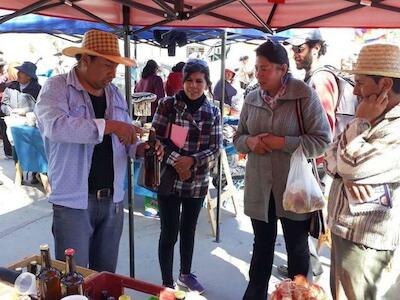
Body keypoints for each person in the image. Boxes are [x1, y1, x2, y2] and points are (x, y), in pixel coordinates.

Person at [35, 29, 163, 272]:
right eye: (107, 65)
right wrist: (112, 125)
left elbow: (125, 140)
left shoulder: (114, 93)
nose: (113, 73)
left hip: (113, 200)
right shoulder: (57, 87)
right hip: (73, 202)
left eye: (115, 67)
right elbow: (56, 127)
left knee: (105, 276)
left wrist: (141, 148)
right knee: (74, 278)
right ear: (85, 60)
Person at [233, 40, 331, 300]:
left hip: (293, 188)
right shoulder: (252, 97)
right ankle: (255, 294)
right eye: (257, 68)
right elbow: (238, 137)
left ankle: (300, 296)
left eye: (265, 68)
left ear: (282, 69)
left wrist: (283, 143)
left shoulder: (303, 95)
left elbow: (322, 140)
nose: (259, 74)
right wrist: (251, 142)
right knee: (261, 246)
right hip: (259, 186)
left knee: (297, 249)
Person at [325, 43, 400, 300]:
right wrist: (346, 172)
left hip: (366, 242)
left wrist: (361, 124)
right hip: (342, 228)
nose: (354, 90)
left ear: (385, 85)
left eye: (360, 83)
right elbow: (331, 157)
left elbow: (350, 166)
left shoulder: (393, 125)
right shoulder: (369, 116)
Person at [152, 59, 222, 294]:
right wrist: (176, 162)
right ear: (182, 82)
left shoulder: (213, 110)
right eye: (189, 80)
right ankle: (166, 282)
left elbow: (215, 146)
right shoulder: (167, 105)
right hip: (169, 179)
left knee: (188, 229)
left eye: (199, 81)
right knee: (168, 231)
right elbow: (156, 139)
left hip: (197, 180)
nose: (193, 86)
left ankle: (185, 273)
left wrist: (191, 161)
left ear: (206, 83)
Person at [283, 29, 339, 277]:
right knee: (304, 221)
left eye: (300, 48)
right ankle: (308, 266)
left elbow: (323, 133)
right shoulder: (312, 77)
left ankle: (304, 275)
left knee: (303, 221)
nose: (295, 53)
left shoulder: (319, 80)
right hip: (311, 163)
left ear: (316, 48)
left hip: (313, 165)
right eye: (293, 49)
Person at [0, 61, 41, 159]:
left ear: (29, 76)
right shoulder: (10, 87)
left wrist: (25, 111)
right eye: (18, 71)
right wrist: (9, 111)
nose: (18, 74)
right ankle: (17, 168)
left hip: (29, 126)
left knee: (30, 152)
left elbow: (41, 107)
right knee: (15, 149)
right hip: (12, 123)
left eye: (21, 72)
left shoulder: (38, 89)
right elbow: (4, 104)